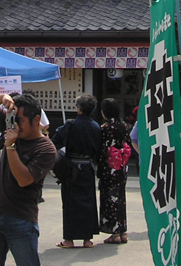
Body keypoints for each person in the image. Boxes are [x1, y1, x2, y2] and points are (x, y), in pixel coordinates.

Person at [0, 92, 57, 266]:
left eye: (20, 120)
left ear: (36, 120)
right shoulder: (12, 127)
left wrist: (11, 146)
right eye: (13, 119)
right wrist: (3, 98)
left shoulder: (46, 149)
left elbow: (24, 179)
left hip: (20, 217)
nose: (15, 125)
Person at [53, 93, 102, 249]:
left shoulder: (70, 124)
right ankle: (87, 239)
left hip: (70, 168)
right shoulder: (96, 126)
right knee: (88, 202)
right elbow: (99, 150)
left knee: (70, 203)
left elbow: (55, 140)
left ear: (79, 108)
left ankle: (69, 239)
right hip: (87, 167)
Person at [98, 98, 129, 244]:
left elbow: (101, 148)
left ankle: (114, 232)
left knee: (109, 198)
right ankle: (123, 231)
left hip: (109, 166)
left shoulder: (105, 128)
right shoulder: (124, 126)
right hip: (122, 165)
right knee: (120, 197)